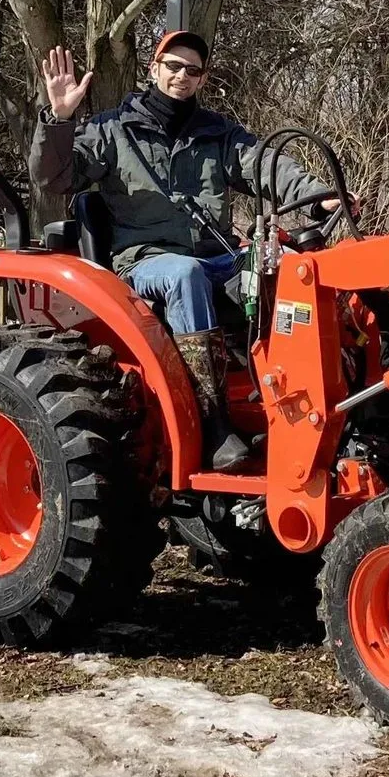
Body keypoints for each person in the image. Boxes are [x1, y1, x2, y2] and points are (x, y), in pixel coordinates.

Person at [29, 30, 347, 472]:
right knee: (184, 275)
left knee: (289, 267)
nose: (182, 75)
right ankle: (213, 424)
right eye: (173, 66)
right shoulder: (113, 131)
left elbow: (267, 167)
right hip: (144, 261)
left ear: (202, 79)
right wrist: (58, 119)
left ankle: (301, 401)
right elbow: (55, 178)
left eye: (192, 70)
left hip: (211, 254)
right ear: (153, 68)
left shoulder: (217, 134)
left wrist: (319, 196)